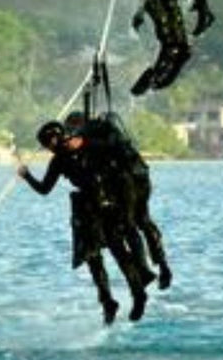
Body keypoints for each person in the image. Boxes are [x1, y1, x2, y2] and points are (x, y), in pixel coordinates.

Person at [17, 120, 149, 324]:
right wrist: (27, 177)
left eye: (49, 142)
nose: (50, 147)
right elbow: (45, 189)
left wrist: (85, 142)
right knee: (91, 256)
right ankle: (107, 301)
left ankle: (138, 292)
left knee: (118, 250)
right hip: (87, 207)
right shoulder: (59, 161)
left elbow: (116, 147)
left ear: (57, 137)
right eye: (47, 145)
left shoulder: (90, 144)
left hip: (109, 202)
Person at [65, 110, 172, 290]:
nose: (74, 133)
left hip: (131, 182)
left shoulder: (99, 130)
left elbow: (112, 145)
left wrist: (84, 143)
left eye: (74, 128)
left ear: (80, 123)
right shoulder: (101, 131)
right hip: (138, 178)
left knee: (132, 224)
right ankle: (160, 267)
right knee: (142, 222)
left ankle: (150, 270)